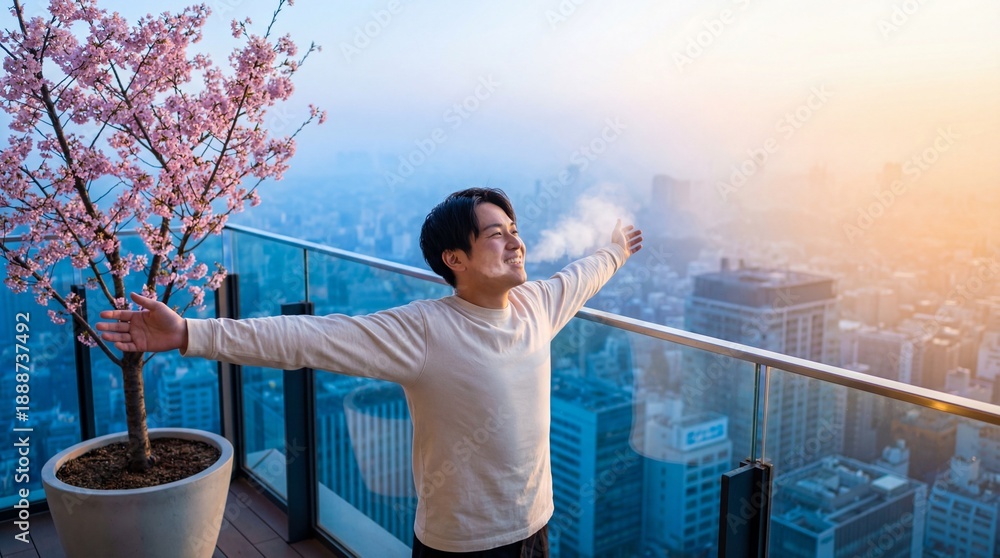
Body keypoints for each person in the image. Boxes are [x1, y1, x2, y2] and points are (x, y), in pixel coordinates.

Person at [97, 187, 643, 557]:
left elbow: (583, 274)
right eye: (497, 233)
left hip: (536, 526)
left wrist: (616, 250)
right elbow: (308, 338)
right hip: (461, 542)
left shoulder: (537, 306)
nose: (516, 241)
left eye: (514, 229)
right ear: (455, 259)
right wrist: (189, 333)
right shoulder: (425, 331)